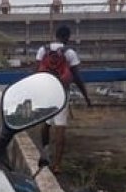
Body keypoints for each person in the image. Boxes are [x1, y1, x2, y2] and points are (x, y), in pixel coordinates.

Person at [36, 25, 91, 174]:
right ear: (68, 37)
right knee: (60, 128)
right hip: (61, 92)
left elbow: (36, 73)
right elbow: (77, 77)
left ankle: (45, 154)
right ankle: (57, 165)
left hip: (46, 92)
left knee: (46, 124)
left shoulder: (43, 50)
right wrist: (86, 96)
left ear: (55, 35)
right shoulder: (70, 53)